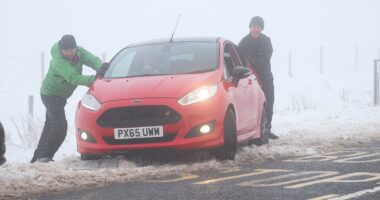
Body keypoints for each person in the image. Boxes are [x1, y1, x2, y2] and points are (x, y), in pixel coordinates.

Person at [30, 35, 109, 163]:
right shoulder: (58, 61)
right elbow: (74, 78)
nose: (69, 53)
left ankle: (36, 159)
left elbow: (93, 60)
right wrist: (95, 80)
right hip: (50, 95)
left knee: (50, 126)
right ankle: (45, 157)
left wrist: (101, 68)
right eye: (66, 51)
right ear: (61, 49)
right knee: (60, 127)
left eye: (71, 50)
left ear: (75, 48)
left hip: (60, 97)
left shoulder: (79, 52)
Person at [238, 16, 278, 140]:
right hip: (249, 78)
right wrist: (255, 59)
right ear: (250, 27)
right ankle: (251, 130)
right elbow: (240, 60)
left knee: (269, 102)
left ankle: (267, 129)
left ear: (262, 29)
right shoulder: (243, 42)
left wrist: (250, 58)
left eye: (259, 27)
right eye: (254, 26)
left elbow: (265, 60)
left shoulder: (266, 41)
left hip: (265, 76)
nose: (256, 29)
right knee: (251, 103)